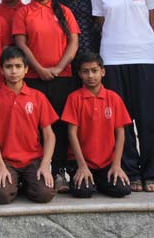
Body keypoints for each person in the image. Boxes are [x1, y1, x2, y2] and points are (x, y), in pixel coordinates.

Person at [91, 0, 154, 193]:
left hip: (146, 58)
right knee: (122, 120)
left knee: (150, 119)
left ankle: (151, 174)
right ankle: (131, 171)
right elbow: (100, 22)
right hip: (113, 59)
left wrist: (146, 40)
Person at [13, 0, 79, 192]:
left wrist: (60, 67)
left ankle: (58, 171)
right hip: (32, 78)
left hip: (62, 78)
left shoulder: (64, 11)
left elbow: (73, 42)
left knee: (59, 126)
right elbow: (21, 44)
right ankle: (32, 172)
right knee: (33, 128)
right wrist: (39, 68)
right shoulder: (23, 12)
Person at [0, 46, 57, 205]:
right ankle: (15, 183)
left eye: (18, 66)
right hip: (6, 161)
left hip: (33, 159)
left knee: (45, 194)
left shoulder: (38, 97)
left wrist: (45, 165)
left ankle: (26, 184)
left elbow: (49, 135)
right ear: (1, 70)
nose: (13, 71)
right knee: (1, 196)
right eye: (9, 67)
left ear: (26, 69)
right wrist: (0, 166)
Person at [62, 52, 131, 198]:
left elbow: (121, 133)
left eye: (94, 70)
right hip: (81, 161)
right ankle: (88, 180)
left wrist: (117, 165)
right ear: (80, 74)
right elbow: (71, 133)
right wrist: (81, 165)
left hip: (107, 161)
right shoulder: (74, 98)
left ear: (103, 72)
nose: (91, 76)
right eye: (85, 71)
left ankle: (99, 181)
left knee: (122, 190)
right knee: (83, 192)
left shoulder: (114, 98)